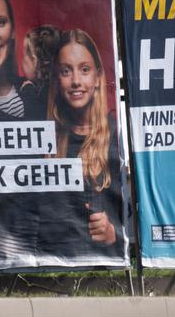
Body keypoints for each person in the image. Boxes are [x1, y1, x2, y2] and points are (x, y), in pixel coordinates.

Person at [41, 29, 124, 258]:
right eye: (66, 71)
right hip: (53, 268)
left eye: (84, 70)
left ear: (97, 76)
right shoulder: (44, 140)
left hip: (103, 270)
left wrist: (115, 235)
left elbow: (140, 219)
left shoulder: (118, 137)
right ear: (56, 80)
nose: (76, 81)